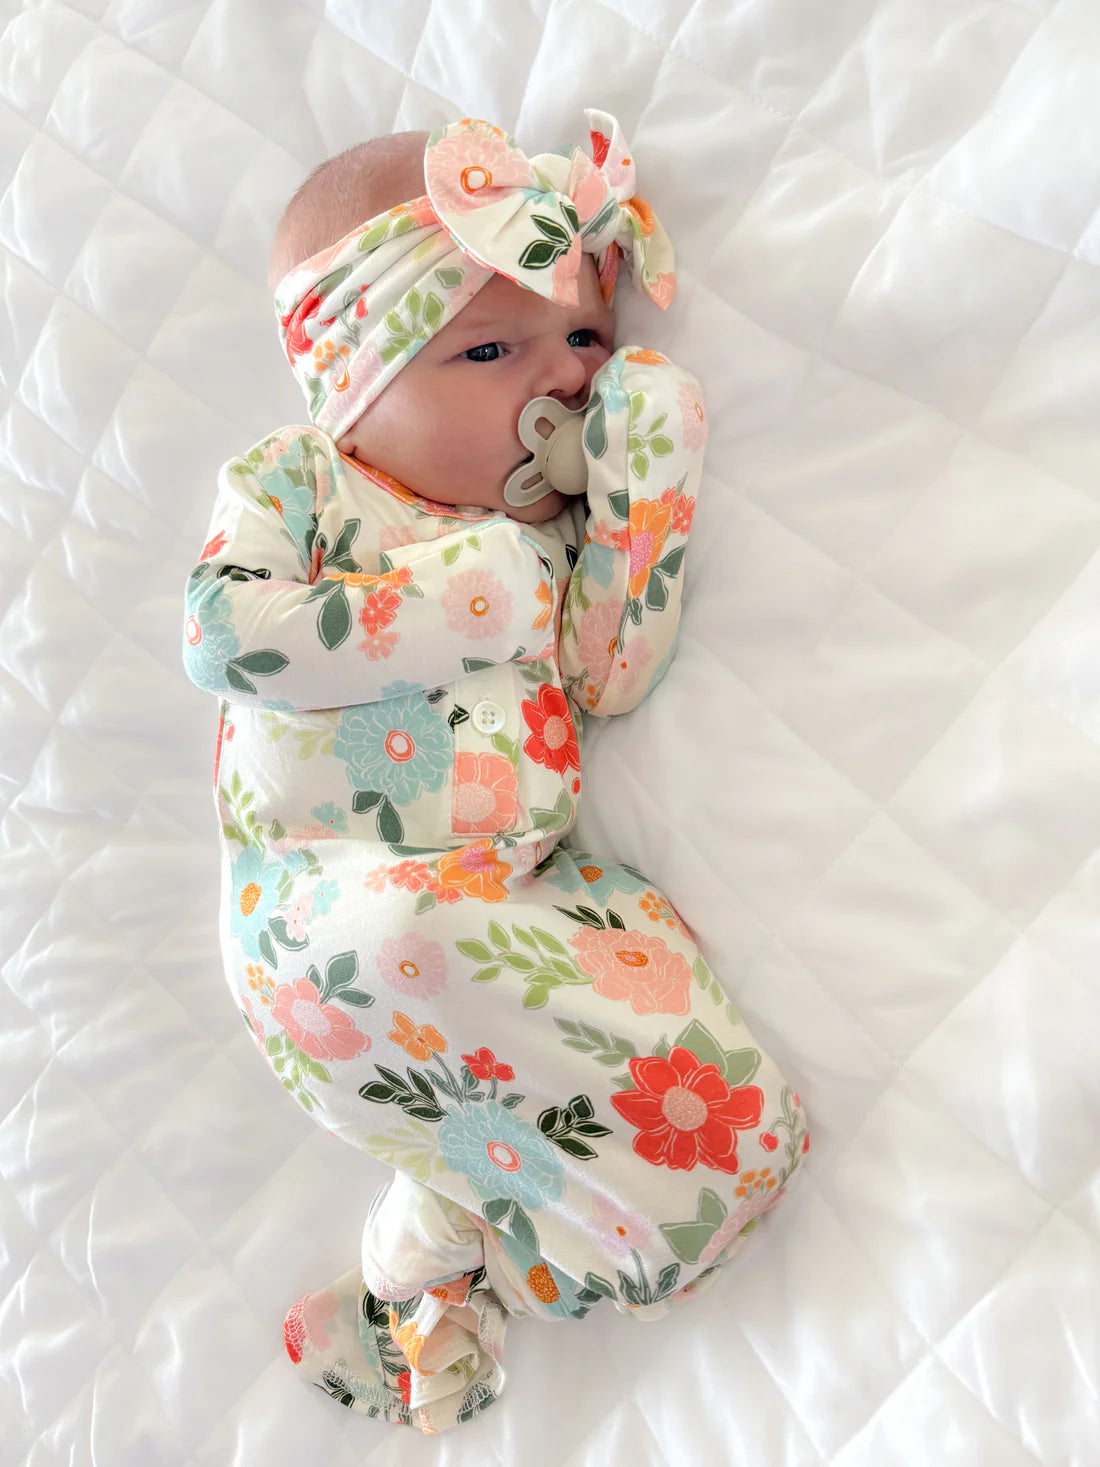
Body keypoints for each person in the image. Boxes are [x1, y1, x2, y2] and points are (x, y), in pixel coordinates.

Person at [182, 109, 808, 1434]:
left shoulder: (539, 541)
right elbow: (224, 635)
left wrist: (650, 467)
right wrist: (461, 597)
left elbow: (605, 675)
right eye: (490, 349)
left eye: (585, 338)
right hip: (329, 929)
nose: (562, 381)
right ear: (353, 382)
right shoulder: (302, 484)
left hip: (511, 911)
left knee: (705, 1098)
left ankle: (420, 1275)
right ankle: (473, 1254)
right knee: (429, 951)